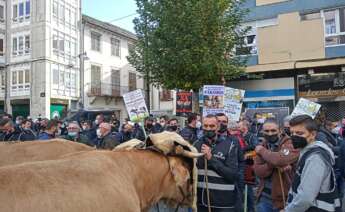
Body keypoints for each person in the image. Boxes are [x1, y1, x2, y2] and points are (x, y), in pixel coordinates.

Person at [285, 115, 341, 212]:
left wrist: (288, 210)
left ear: (313, 134)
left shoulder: (315, 158)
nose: (294, 136)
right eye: (292, 133)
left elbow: (305, 197)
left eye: (299, 133)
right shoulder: (307, 152)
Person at [194, 114, 241, 212]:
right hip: (200, 202)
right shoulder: (196, 144)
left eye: (212, 126)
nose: (208, 129)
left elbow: (232, 175)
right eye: (205, 126)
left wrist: (211, 158)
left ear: (218, 127)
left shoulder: (230, 145)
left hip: (223, 203)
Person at [253, 118, 299, 212]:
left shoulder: (291, 143)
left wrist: (263, 152)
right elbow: (258, 171)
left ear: (280, 130)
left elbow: (280, 159)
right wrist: (274, 162)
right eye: (267, 131)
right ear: (262, 131)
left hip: (285, 198)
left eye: (273, 130)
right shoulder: (263, 145)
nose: (270, 134)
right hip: (264, 198)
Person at [216, 113, 245, 211]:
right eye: (219, 121)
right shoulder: (206, 140)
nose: (221, 124)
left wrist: (238, 176)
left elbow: (241, 160)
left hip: (231, 182)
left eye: (224, 121)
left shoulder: (234, 140)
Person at [238, 120, 259, 212]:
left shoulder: (251, 136)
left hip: (249, 167)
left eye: (239, 126)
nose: (238, 128)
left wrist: (246, 152)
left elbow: (257, 148)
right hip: (241, 166)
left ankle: (251, 210)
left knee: (249, 191)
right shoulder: (239, 136)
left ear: (245, 127)